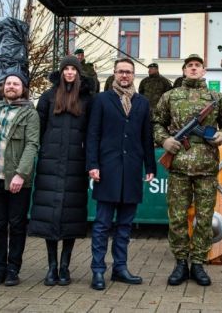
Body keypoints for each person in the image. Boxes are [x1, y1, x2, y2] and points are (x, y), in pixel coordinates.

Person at [153, 54, 222, 286]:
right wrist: (164, 140)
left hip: (206, 167)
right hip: (178, 166)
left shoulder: (216, 97)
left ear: (203, 71)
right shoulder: (170, 96)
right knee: (177, 217)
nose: (193, 68)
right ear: (183, 71)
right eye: (189, 65)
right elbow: (157, 123)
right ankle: (181, 262)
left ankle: (198, 262)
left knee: (205, 217)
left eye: (197, 65)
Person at [86, 57, 156, 291]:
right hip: (107, 170)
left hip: (132, 171)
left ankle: (120, 268)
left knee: (125, 226)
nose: (124, 75)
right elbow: (93, 134)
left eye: (128, 72)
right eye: (120, 71)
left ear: (133, 75)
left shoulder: (142, 102)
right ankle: (98, 270)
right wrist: (93, 164)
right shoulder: (102, 100)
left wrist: (150, 166)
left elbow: (146, 137)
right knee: (102, 225)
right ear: (114, 74)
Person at [29, 55, 94, 287]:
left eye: (73, 69)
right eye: (66, 69)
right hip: (50, 164)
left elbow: (91, 133)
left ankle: (65, 267)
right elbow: (38, 128)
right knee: (49, 216)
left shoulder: (86, 99)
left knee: (71, 217)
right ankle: (51, 267)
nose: (69, 73)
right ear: (61, 71)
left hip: (76, 164)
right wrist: (43, 152)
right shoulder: (48, 96)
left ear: (78, 73)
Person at [0, 72, 39, 287]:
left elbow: (32, 144)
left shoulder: (30, 113)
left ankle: (13, 269)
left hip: (17, 179)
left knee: (17, 225)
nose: (11, 86)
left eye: (16, 84)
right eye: (8, 83)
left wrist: (21, 173)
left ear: (23, 88)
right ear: (3, 87)